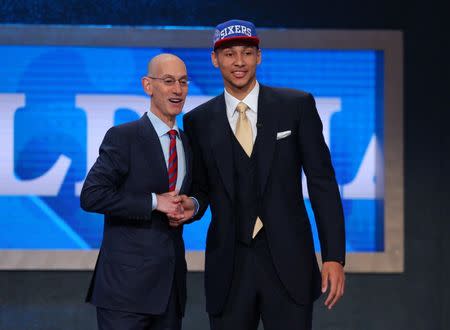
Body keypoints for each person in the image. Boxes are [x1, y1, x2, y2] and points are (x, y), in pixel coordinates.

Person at [177, 19, 346, 330]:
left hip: (290, 264)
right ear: (215, 60)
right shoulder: (198, 121)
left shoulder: (296, 106)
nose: (239, 62)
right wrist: (194, 206)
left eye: (246, 52)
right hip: (229, 268)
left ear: (259, 56)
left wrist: (334, 256)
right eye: (229, 54)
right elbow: (201, 188)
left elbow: (322, 183)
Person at [80, 53, 193, 330]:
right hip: (125, 293)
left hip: (170, 291)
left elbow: (199, 191)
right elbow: (92, 195)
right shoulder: (124, 137)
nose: (177, 90)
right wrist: (155, 202)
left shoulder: (190, 141)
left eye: (183, 82)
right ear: (148, 85)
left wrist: (194, 205)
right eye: (168, 81)